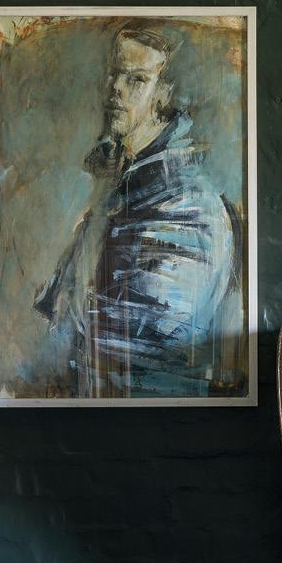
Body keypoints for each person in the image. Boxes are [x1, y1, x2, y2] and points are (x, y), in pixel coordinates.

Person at [35, 21, 241, 398]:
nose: (115, 88)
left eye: (135, 79)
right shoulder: (120, 190)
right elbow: (61, 309)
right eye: (114, 73)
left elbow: (138, 343)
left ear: (164, 95)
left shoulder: (188, 205)